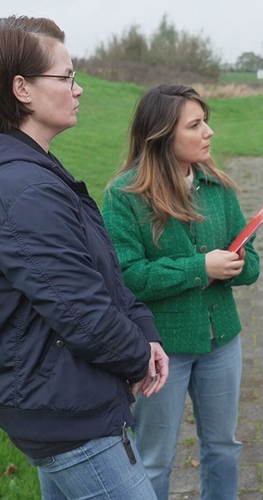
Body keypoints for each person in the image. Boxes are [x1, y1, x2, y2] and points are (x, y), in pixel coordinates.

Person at [0, 15, 169, 500]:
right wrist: (140, 358)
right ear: (22, 89)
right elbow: (81, 311)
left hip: (62, 403)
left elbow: (104, 277)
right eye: (66, 76)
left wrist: (147, 332)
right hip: (71, 417)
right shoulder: (26, 188)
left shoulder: (37, 171)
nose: (78, 89)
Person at [101, 84, 260, 499]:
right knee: (154, 457)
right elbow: (127, 278)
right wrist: (200, 268)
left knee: (224, 447)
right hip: (160, 349)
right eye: (195, 124)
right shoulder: (124, 196)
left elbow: (253, 264)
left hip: (222, 341)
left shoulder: (218, 186)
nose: (209, 132)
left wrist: (235, 266)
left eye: (206, 121)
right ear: (162, 135)